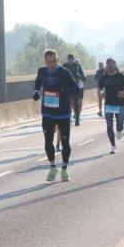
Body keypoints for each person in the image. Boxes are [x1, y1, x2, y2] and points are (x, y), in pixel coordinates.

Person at [34, 49, 80, 182]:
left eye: (54, 61)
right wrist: (36, 91)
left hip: (63, 113)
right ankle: (53, 166)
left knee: (65, 143)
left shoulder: (64, 73)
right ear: (45, 61)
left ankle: (64, 169)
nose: (51, 64)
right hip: (48, 112)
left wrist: (65, 90)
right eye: (48, 62)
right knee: (48, 142)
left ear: (57, 60)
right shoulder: (42, 71)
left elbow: (76, 88)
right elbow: (38, 82)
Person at [97, 58, 124, 154]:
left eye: (112, 63)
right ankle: (113, 145)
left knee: (119, 125)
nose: (110, 65)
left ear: (115, 65)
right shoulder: (104, 78)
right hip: (108, 104)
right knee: (109, 125)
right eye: (108, 64)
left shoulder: (121, 76)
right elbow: (99, 88)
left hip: (119, 104)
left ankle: (119, 130)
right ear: (106, 66)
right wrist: (101, 93)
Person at [62, 54, 87, 125]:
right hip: (67, 87)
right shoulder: (64, 66)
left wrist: (83, 77)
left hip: (75, 87)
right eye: (69, 58)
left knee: (76, 103)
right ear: (67, 59)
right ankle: (68, 118)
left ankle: (77, 119)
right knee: (68, 103)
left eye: (71, 58)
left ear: (73, 59)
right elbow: (60, 74)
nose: (70, 60)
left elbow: (81, 74)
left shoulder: (77, 65)